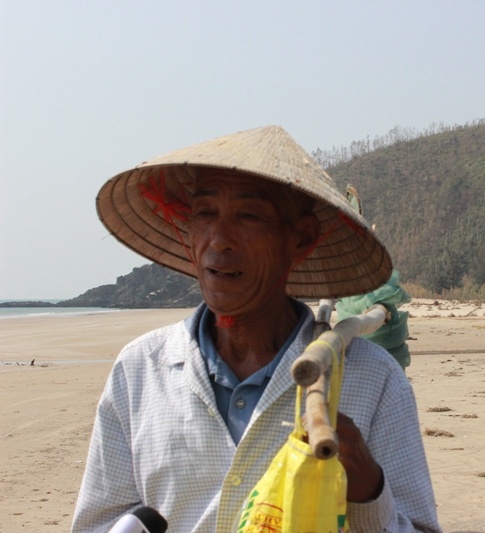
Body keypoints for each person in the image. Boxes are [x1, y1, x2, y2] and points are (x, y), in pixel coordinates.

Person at [71, 126, 441, 532]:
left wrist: (369, 487)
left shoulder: (373, 379)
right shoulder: (140, 370)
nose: (219, 240)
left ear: (299, 240)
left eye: (249, 216)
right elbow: (98, 524)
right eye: (205, 213)